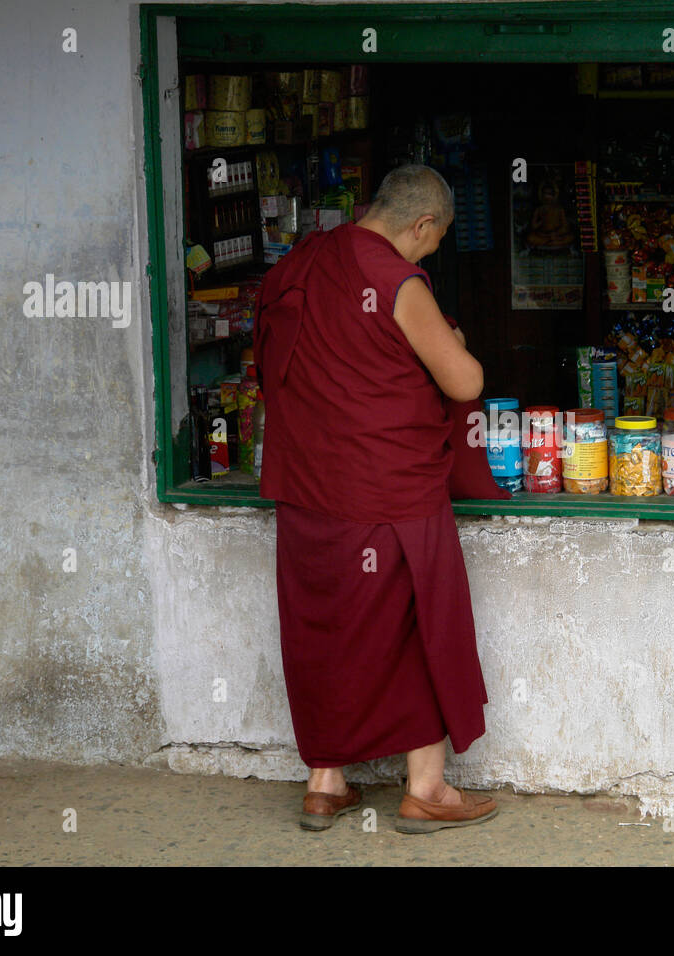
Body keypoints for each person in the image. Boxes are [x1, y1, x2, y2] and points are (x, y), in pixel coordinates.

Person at [253, 164, 499, 834]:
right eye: (435, 240)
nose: (431, 253)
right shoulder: (395, 278)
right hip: (389, 491)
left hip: (307, 492)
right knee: (416, 627)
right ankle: (426, 788)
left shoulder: (305, 261)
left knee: (325, 631)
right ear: (421, 224)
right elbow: (464, 382)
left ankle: (325, 782)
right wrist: (452, 344)